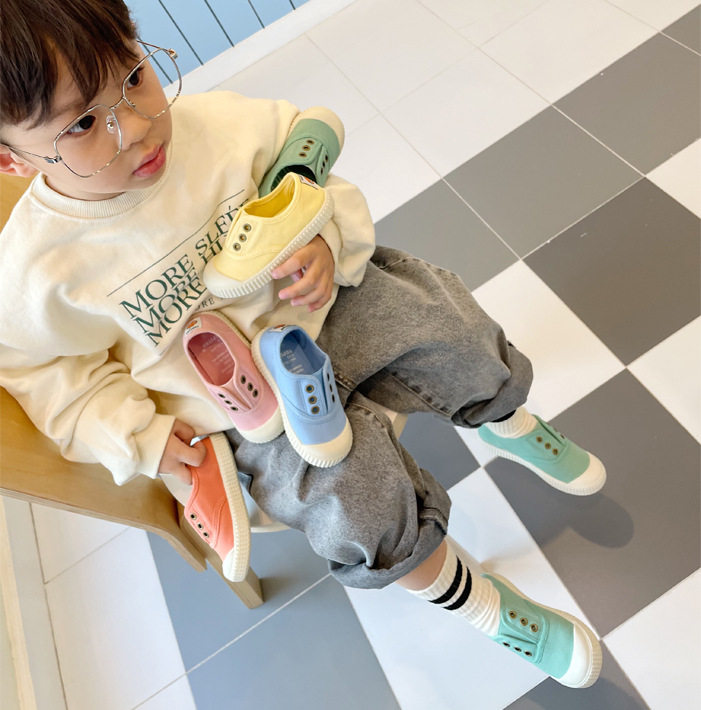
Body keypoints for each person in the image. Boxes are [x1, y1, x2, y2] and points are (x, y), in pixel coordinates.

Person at [0, 0, 606, 688]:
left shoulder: (221, 126)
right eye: (83, 123)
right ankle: (482, 605)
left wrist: (323, 239)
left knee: (447, 327)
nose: (136, 126)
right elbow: (50, 378)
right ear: (11, 160)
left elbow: (312, 182)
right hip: (241, 409)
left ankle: (505, 420)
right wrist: (140, 436)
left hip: (321, 310)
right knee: (351, 507)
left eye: (135, 77)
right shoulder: (34, 274)